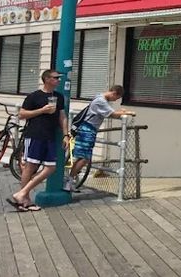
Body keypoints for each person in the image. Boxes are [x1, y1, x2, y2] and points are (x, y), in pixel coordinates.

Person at [8, 69, 68, 212]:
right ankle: (25, 200)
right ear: (47, 79)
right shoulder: (34, 96)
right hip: (35, 135)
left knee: (51, 167)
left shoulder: (59, 97)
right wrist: (42, 110)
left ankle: (21, 194)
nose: (58, 80)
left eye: (59, 78)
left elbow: (62, 117)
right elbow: (22, 114)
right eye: (56, 78)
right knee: (31, 166)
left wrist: (66, 134)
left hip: (50, 136)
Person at [64, 85, 135, 192]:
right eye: (116, 98)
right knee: (84, 158)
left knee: (83, 157)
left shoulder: (100, 98)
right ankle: (69, 181)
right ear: (114, 93)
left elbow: (109, 112)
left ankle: (70, 180)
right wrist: (128, 112)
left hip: (86, 129)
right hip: (87, 130)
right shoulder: (101, 101)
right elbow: (113, 114)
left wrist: (122, 112)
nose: (115, 100)